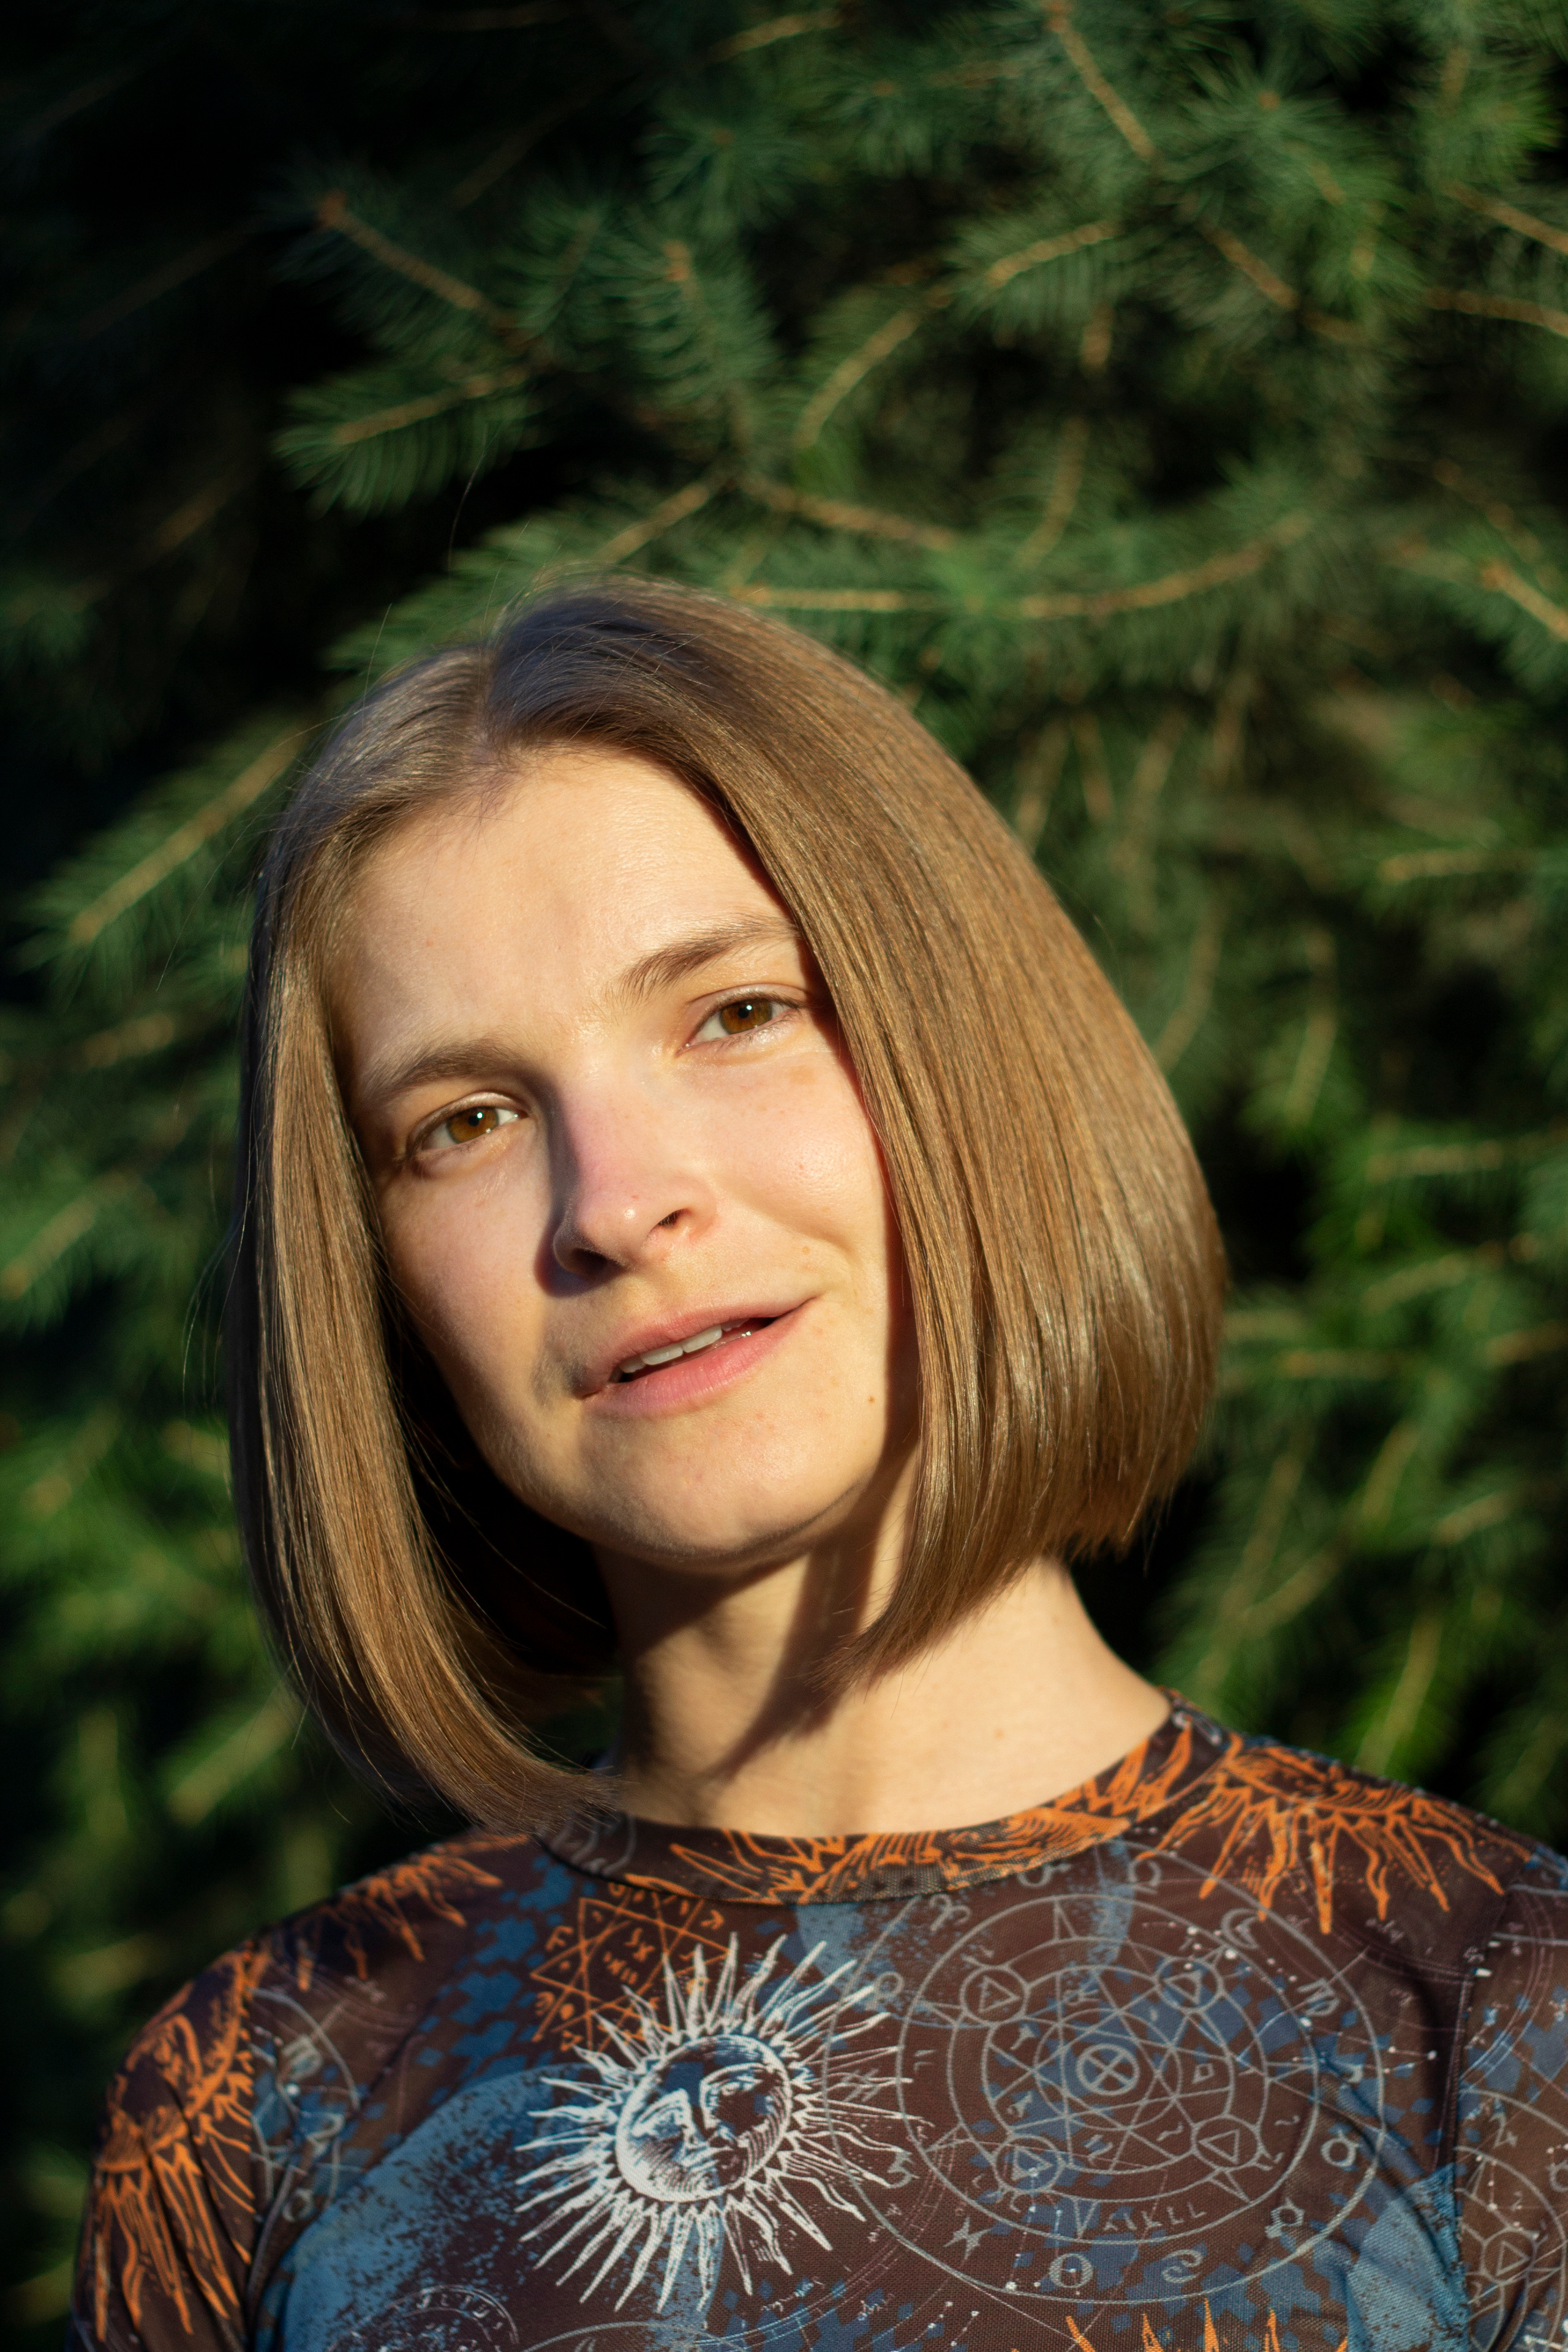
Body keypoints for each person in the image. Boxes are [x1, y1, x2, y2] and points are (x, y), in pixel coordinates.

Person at [70, 583, 1568, 2352]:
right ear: (376, 1287)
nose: (617, 1202)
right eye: (464, 1122)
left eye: (735, 1014)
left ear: (963, 1052)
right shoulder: (270, 2097)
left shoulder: (1492, 2013)